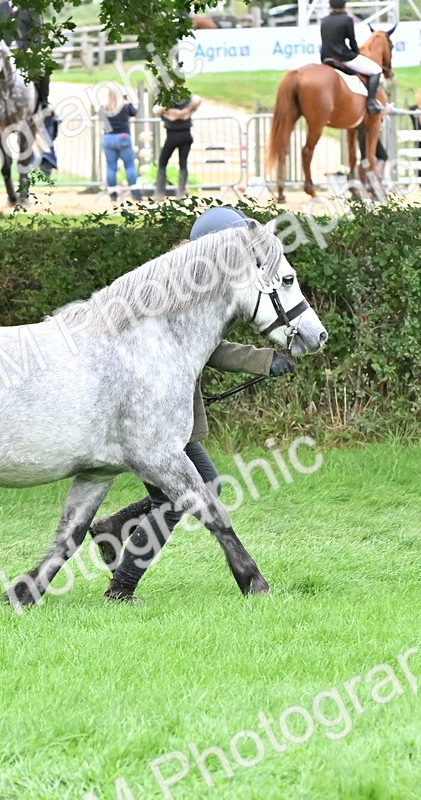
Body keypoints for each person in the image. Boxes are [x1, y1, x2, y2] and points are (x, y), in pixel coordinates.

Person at [87, 207, 297, 605]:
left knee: (200, 488)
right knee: (182, 495)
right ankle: (122, 585)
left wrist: (265, 360)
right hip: (153, 414)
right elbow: (212, 349)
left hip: (164, 413)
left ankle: (114, 527)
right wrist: (262, 360)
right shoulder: (182, 285)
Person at [0, 1, 50, 123]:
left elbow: (38, 32)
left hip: (24, 51)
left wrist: (33, 47)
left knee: (42, 69)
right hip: (2, 52)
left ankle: (43, 103)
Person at [319, 0, 383, 115]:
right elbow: (352, 40)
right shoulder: (347, 19)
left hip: (326, 58)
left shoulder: (324, 21)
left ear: (330, 5)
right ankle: (371, 102)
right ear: (344, 5)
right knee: (376, 69)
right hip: (343, 57)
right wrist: (357, 53)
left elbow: (325, 41)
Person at [153, 91, 201, 200]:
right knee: (183, 164)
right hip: (186, 134)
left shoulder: (167, 102)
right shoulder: (188, 101)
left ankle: (160, 192)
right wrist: (186, 111)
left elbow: (156, 110)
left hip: (172, 136)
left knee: (162, 162)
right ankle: (181, 192)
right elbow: (197, 99)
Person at [98, 87, 142, 201]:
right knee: (129, 165)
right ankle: (135, 192)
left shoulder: (103, 108)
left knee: (111, 167)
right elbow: (134, 112)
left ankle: (112, 194)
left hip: (108, 137)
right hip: (123, 136)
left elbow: (102, 121)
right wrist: (127, 100)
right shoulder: (125, 106)